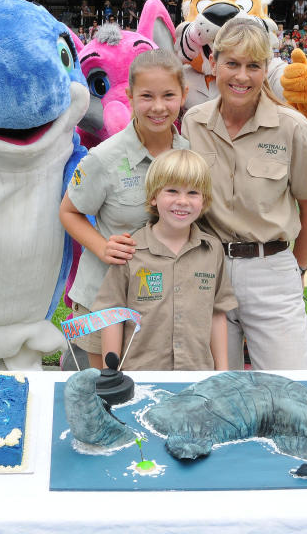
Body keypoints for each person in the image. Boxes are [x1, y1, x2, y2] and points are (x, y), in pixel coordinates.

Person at [180, 16, 307, 370]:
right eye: (232, 63)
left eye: (253, 66)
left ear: (265, 69)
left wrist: (298, 268)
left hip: (271, 270)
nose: (241, 76)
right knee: (215, 393)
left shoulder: (294, 128)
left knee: (288, 388)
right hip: (209, 272)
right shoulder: (194, 122)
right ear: (214, 62)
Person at [59, 49, 190, 370]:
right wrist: (102, 247)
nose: (158, 107)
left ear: (184, 95)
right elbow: (68, 212)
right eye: (146, 96)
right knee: (103, 394)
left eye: (168, 95)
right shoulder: (104, 158)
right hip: (103, 299)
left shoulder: (189, 155)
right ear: (130, 96)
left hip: (163, 302)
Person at [95, 149, 234, 371]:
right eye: (171, 191)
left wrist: (222, 372)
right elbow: (112, 314)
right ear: (153, 196)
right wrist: (109, 374)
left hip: (196, 375)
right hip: (140, 375)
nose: (182, 201)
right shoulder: (130, 250)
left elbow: (217, 313)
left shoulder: (212, 250)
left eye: (193, 193)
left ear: (204, 200)